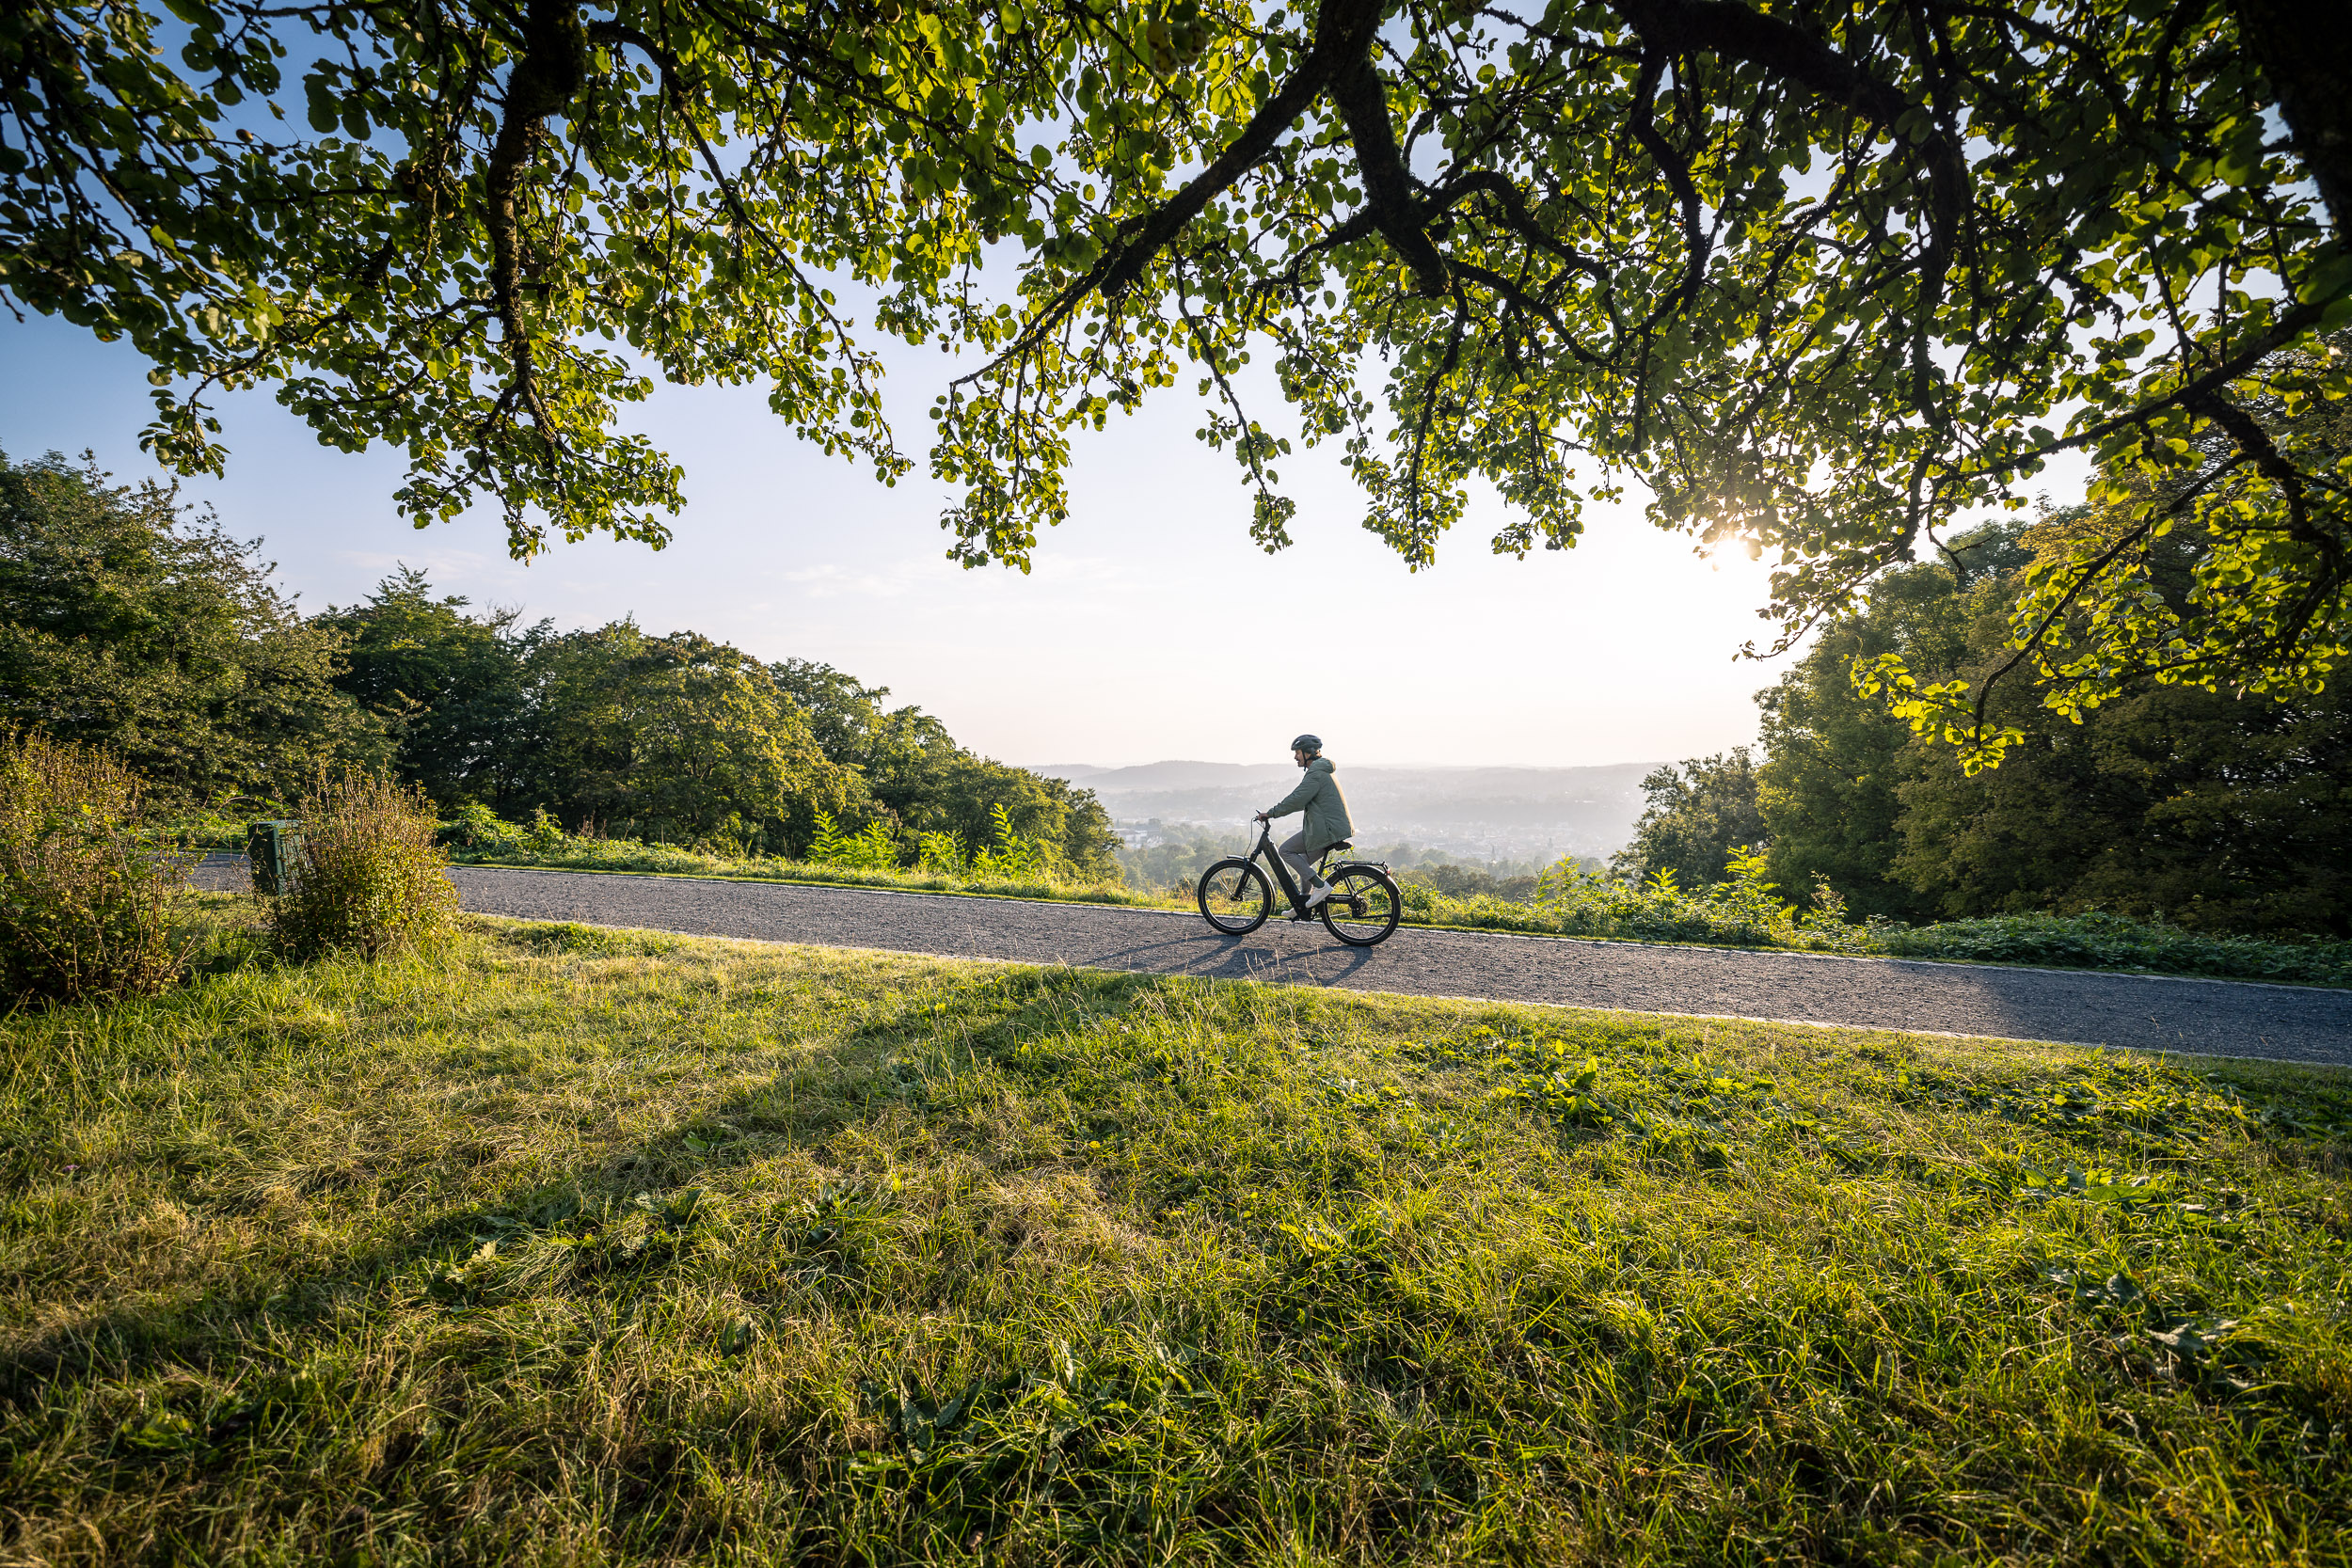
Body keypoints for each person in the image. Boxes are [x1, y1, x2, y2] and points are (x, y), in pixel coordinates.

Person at [1255, 734, 1354, 910]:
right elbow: (1303, 800)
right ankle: (1304, 901)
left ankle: (1321, 887)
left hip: (1326, 829)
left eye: (1298, 753)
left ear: (1308, 753)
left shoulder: (1315, 773)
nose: (1295, 757)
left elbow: (1297, 800)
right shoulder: (1320, 771)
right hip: (1330, 828)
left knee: (1285, 850)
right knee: (1302, 861)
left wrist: (1270, 813)